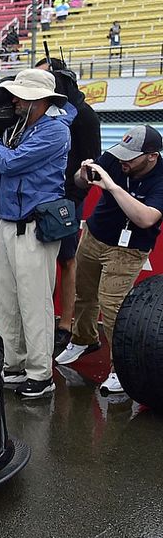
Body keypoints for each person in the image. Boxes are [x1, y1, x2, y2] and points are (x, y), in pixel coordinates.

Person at [0, 68, 69, 399]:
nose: (13, 101)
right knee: (7, 301)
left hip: (34, 228)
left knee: (34, 302)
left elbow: (10, 164)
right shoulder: (19, 128)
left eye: (20, 96)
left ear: (39, 100)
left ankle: (41, 374)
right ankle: (14, 364)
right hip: (9, 224)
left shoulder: (55, 131)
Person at [56, 126, 163, 395]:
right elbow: (79, 183)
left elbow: (146, 218)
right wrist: (82, 174)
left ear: (151, 156)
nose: (123, 161)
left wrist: (113, 187)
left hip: (129, 248)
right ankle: (83, 339)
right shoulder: (116, 158)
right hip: (95, 234)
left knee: (113, 305)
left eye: (131, 157)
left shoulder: (161, 178)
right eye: (121, 154)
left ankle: (121, 367)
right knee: (84, 292)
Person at [36, 57, 102, 357]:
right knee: (42, 263)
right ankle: (45, 319)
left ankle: (65, 325)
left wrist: (73, 198)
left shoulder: (84, 117)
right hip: (41, 197)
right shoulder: (44, 112)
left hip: (67, 201)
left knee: (66, 261)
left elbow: (91, 166)